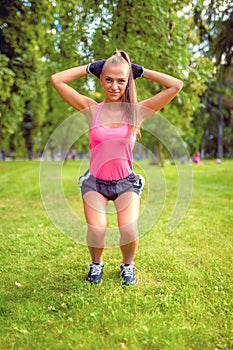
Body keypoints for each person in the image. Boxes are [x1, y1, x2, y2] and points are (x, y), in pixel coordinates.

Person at [50, 49, 183, 286]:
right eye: (108, 79)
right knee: (97, 229)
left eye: (121, 80)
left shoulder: (136, 112)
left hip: (125, 183)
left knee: (129, 229)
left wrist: (140, 72)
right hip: (96, 183)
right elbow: (56, 79)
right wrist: (90, 67)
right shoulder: (92, 109)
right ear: (101, 79)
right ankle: (96, 264)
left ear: (128, 81)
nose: (114, 86)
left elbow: (175, 85)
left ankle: (128, 266)